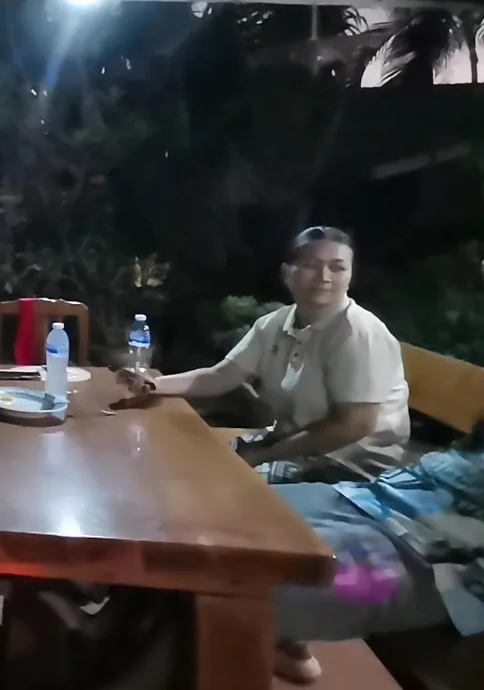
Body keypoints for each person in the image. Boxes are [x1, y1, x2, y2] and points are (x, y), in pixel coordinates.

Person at [119, 226, 412, 483]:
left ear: (350, 274)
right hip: (292, 445)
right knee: (176, 463)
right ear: (287, 273)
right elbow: (222, 375)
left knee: (216, 486)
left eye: (337, 268)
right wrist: (153, 384)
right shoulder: (276, 323)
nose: (324, 277)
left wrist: (262, 455)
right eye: (311, 265)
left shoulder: (357, 332)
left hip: (350, 463)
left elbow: (354, 426)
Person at [269, 423, 484, 683]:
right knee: (226, 512)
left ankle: (265, 630)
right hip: (366, 497)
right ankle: (271, 633)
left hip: (436, 563)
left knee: (248, 582)